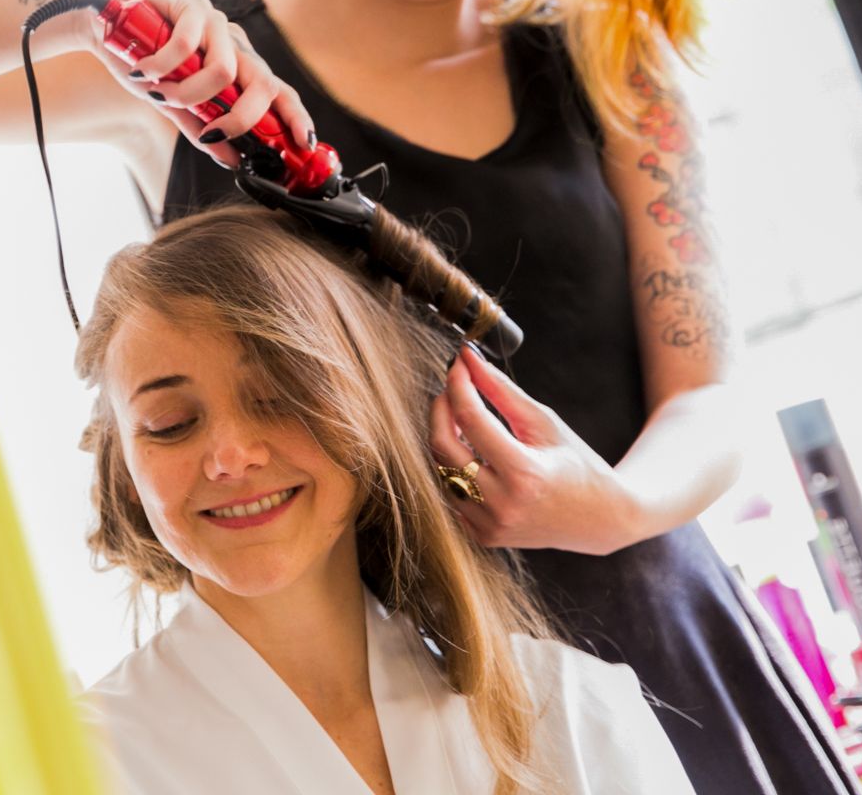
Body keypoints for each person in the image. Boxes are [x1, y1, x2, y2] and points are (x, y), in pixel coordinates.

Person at [0, 0, 858, 792]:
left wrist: (607, 507)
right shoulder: (180, 74)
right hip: (394, 711)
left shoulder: (610, 65)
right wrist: (84, 0)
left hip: (654, 637)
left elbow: (705, 394)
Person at [73, 205, 692, 795]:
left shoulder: (571, 708)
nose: (231, 456)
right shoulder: (81, 764)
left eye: (278, 397)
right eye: (171, 423)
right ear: (125, 470)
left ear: (369, 415)